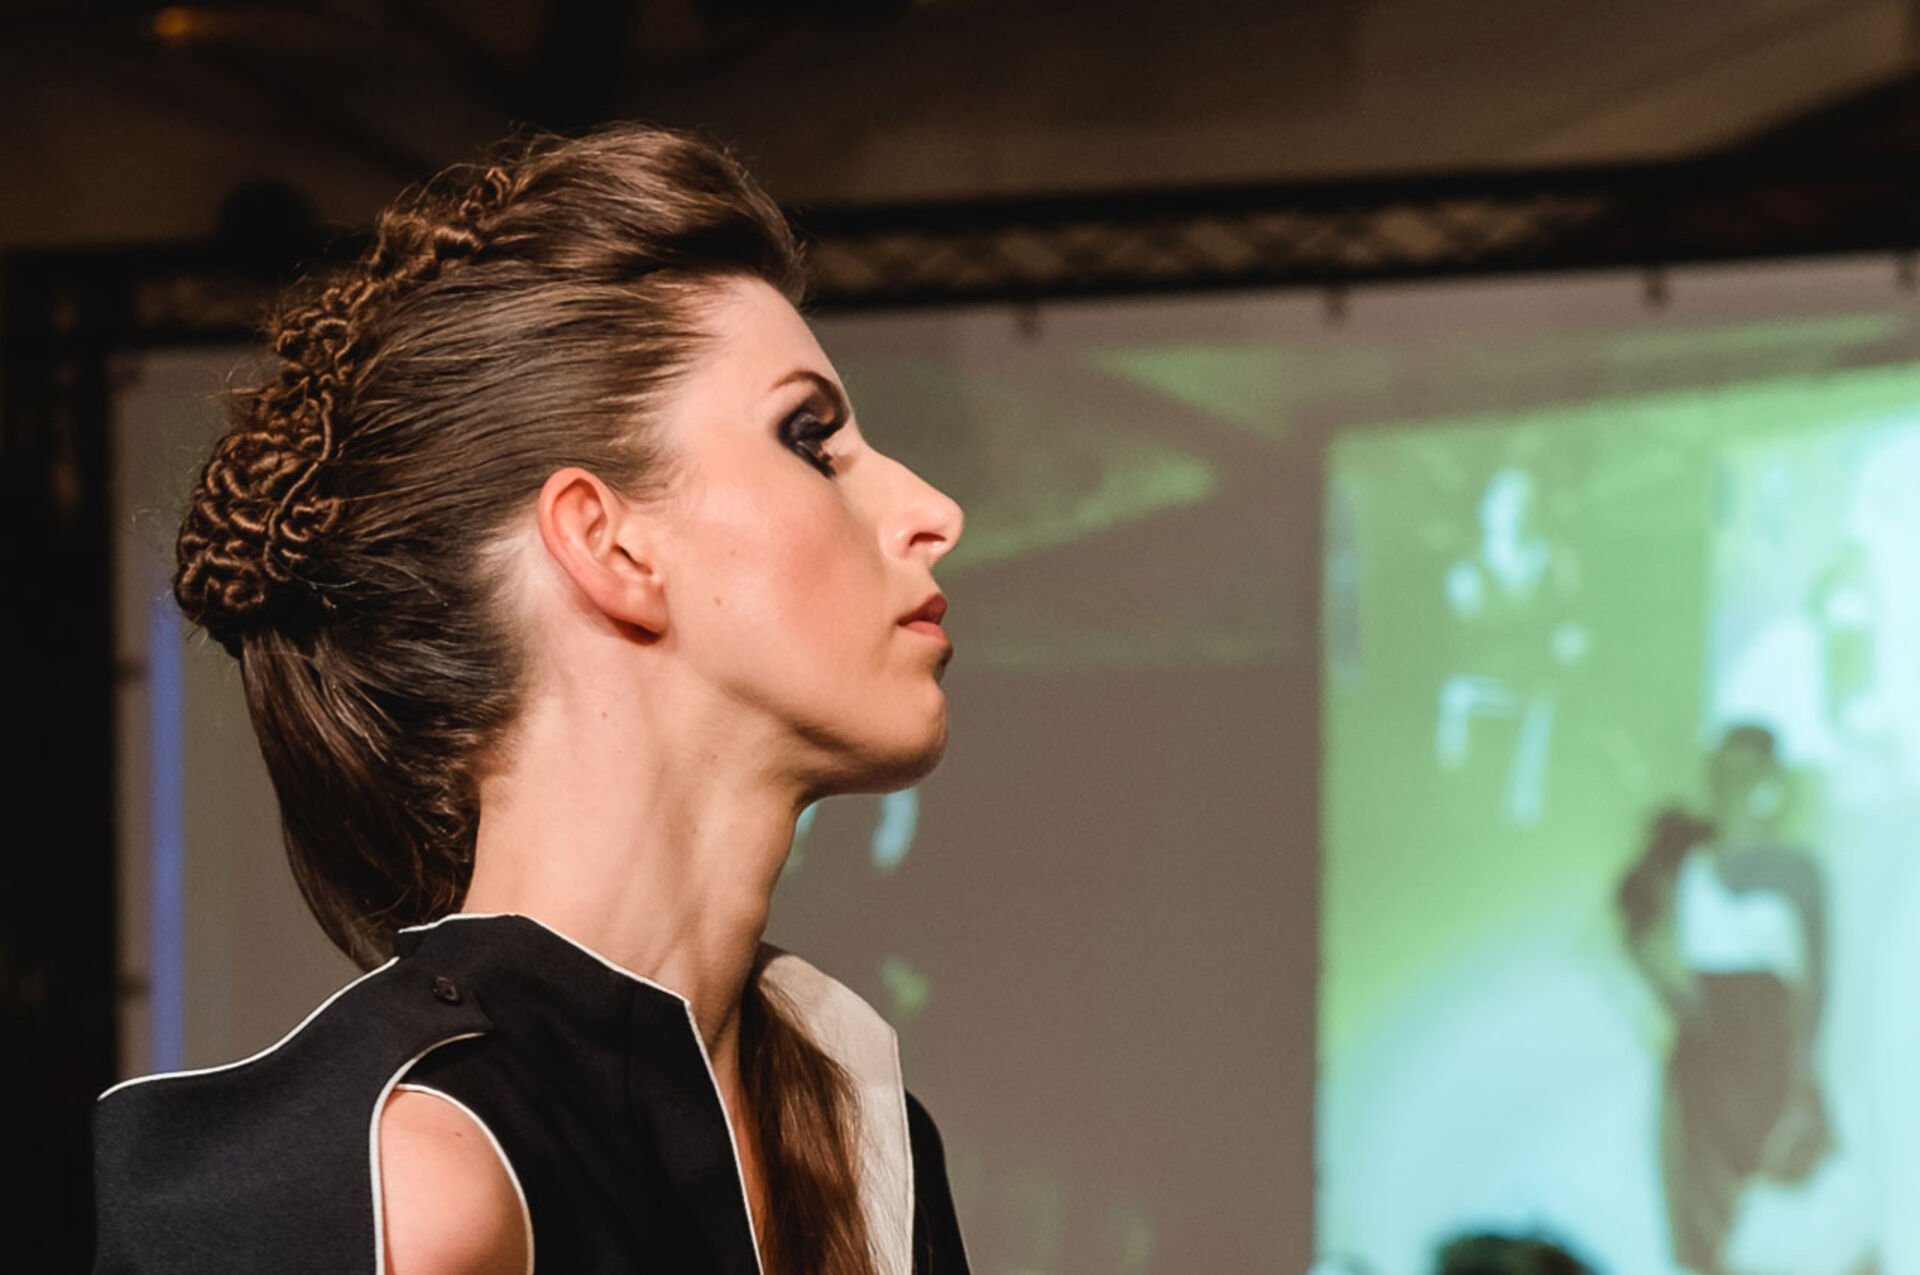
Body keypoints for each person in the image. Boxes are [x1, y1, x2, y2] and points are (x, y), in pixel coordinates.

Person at [90, 125, 970, 1275]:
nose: (934, 511)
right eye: (811, 439)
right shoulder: (411, 1177)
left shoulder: (859, 1136)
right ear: (609, 545)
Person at [1616, 725, 1830, 1275]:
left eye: (1750, 772)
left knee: (1793, 1209)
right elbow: (1640, 933)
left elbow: (1817, 981)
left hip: (1772, 1052)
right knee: (1711, 1223)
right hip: (1708, 1062)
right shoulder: (1682, 862)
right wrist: (1680, 1000)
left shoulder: (1796, 870)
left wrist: (1804, 1077)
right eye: (1726, 772)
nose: (1736, 785)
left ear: (1772, 778)